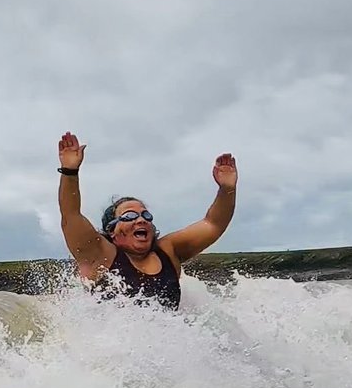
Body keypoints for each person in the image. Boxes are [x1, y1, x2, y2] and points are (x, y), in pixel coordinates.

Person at [55, 131, 237, 309]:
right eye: (129, 216)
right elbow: (71, 215)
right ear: (112, 230)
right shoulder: (99, 254)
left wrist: (227, 189)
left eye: (145, 215)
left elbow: (213, 224)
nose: (141, 220)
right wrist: (70, 172)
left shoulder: (168, 250)